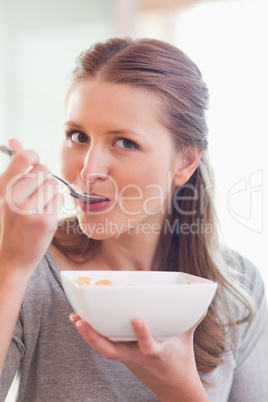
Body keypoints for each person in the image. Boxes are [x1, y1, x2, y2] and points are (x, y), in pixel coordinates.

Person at [0, 37, 267, 402]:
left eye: (124, 142)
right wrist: (11, 265)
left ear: (186, 162)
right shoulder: (29, 269)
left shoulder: (239, 287)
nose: (89, 170)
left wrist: (180, 390)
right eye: (77, 136)